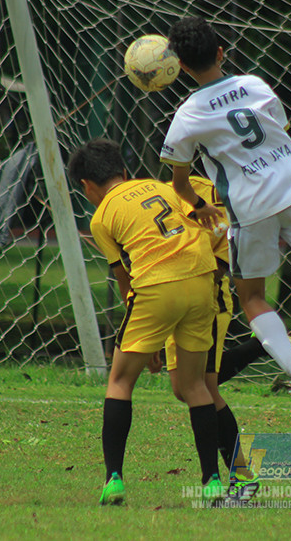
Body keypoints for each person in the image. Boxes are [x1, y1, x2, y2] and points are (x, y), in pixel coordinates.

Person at [159, 16, 291, 427]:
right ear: (221, 52)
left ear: (181, 67)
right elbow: (279, 129)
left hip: (249, 207)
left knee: (253, 297)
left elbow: (180, 182)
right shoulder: (255, 84)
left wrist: (198, 206)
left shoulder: (187, 115)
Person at [67, 137, 224, 507]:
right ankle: (212, 480)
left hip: (157, 287)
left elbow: (126, 282)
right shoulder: (163, 188)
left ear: (87, 186)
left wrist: (147, 336)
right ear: (124, 171)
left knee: (120, 381)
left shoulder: (101, 218)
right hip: (202, 279)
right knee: (195, 386)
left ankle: (114, 480)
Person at [158, 175, 259, 499]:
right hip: (172, 295)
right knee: (183, 388)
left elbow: (220, 264)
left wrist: (177, 278)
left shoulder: (228, 196)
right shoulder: (169, 190)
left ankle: (241, 476)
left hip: (206, 300)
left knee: (204, 387)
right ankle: (259, 346)